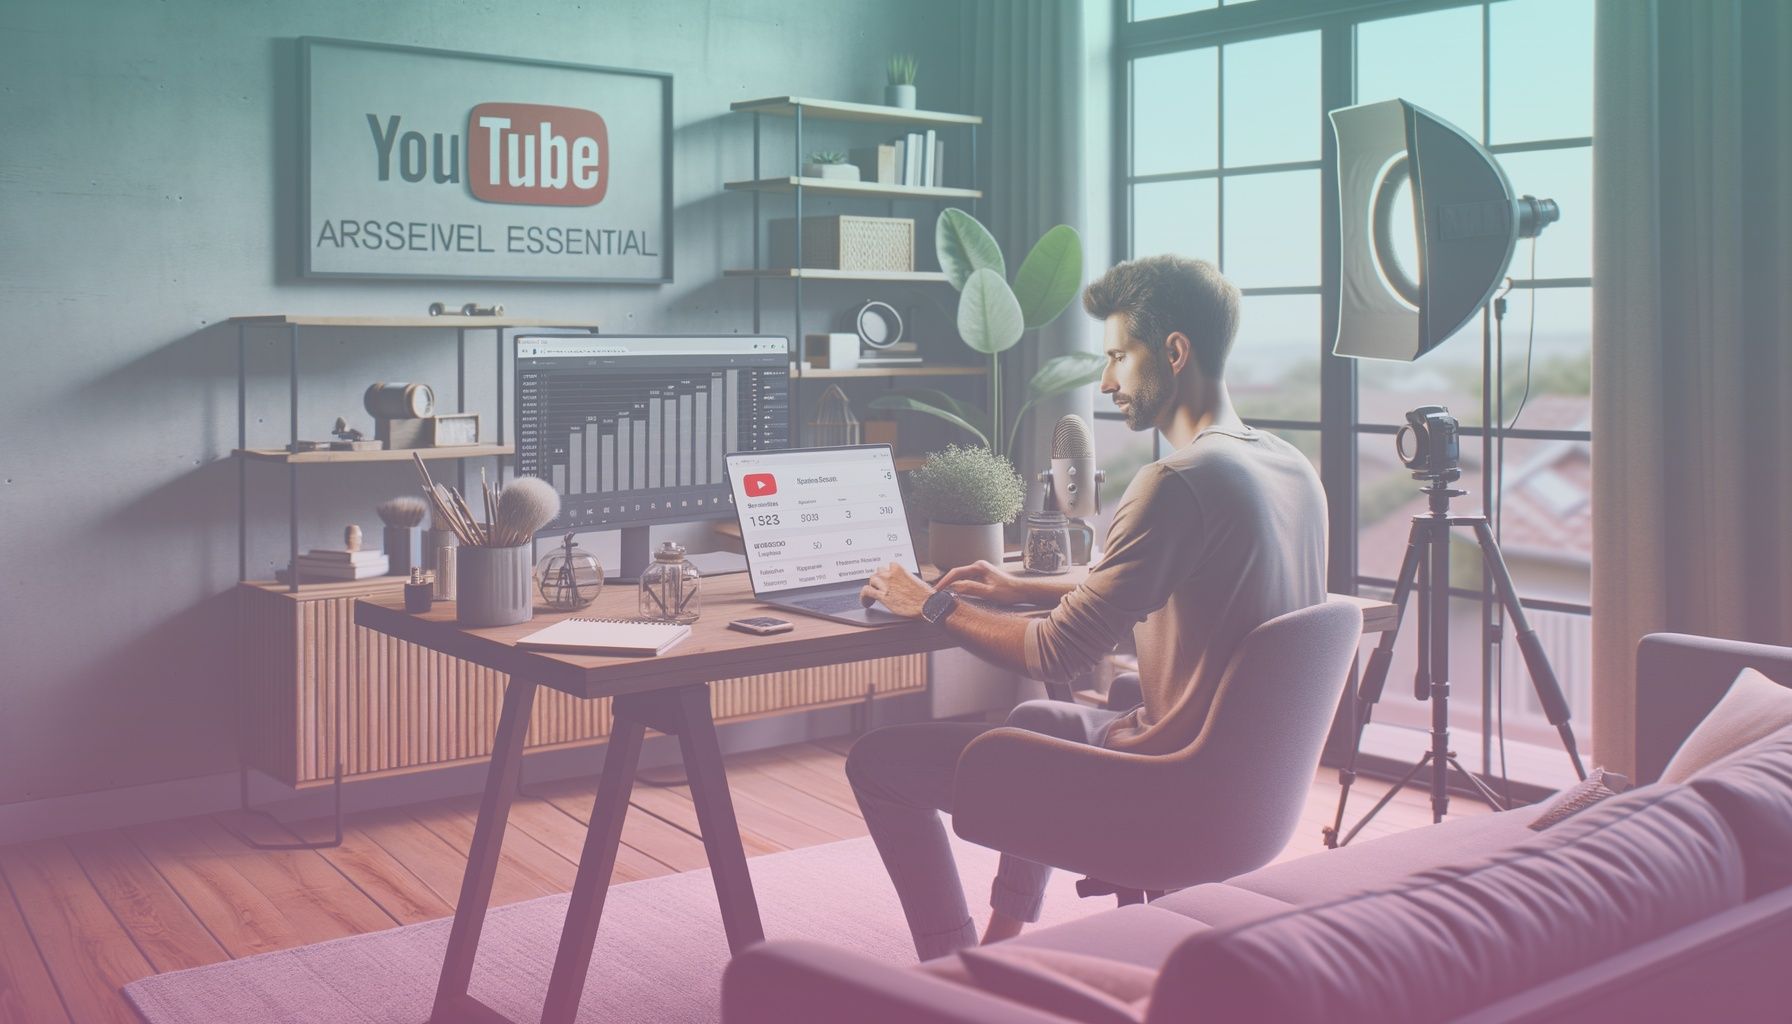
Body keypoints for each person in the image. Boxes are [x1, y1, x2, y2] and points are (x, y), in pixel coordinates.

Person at [846, 254, 1328, 961]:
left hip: (1168, 796)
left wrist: (930, 604)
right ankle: (1004, 940)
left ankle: (945, 965)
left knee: (879, 760)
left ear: (1174, 351)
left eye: (1117, 357)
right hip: (1251, 793)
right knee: (1037, 717)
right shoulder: (1285, 466)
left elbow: (1055, 652)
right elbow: (1178, 585)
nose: (1105, 382)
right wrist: (1017, 588)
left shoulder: (1177, 483)